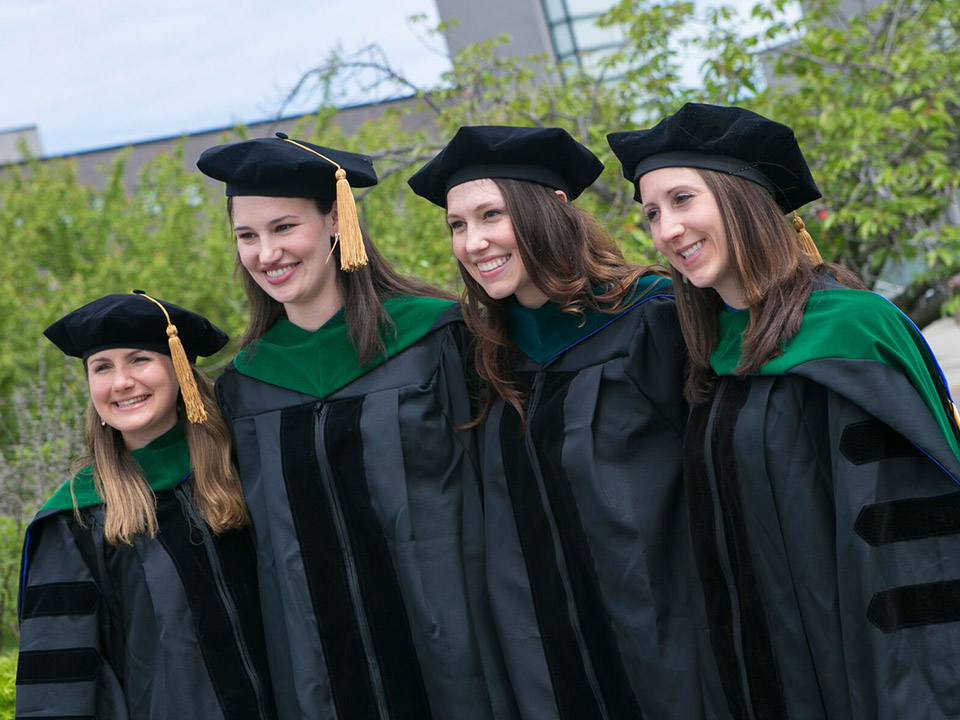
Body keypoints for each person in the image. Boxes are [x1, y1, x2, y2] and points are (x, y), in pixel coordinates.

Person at [609, 101, 960, 719]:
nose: (666, 230)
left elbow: (911, 547)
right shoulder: (710, 352)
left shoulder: (852, 329)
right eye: (652, 213)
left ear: (745, 201)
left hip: (865, 684)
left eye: (684, 199)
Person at [196, 134, 512, 720]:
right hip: (318, 676)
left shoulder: (438, 338)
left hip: (456, 654)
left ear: (337, 221)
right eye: (247, 235)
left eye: (284, 227)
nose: (267, 252)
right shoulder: (245, 387)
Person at [408, 126, 705, 720]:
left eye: (491, 215)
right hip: (545, 664)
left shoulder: (653, 320)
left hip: (673, 649)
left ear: (550, 210)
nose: (473, 242)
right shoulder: (486, 356)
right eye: (458, 225)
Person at [16, 291, 276, 720]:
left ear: (181, 374)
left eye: (139, 359)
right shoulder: (76, 518)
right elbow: (58, 685)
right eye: (102, 367)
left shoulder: (248, 471)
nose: (121, 382)